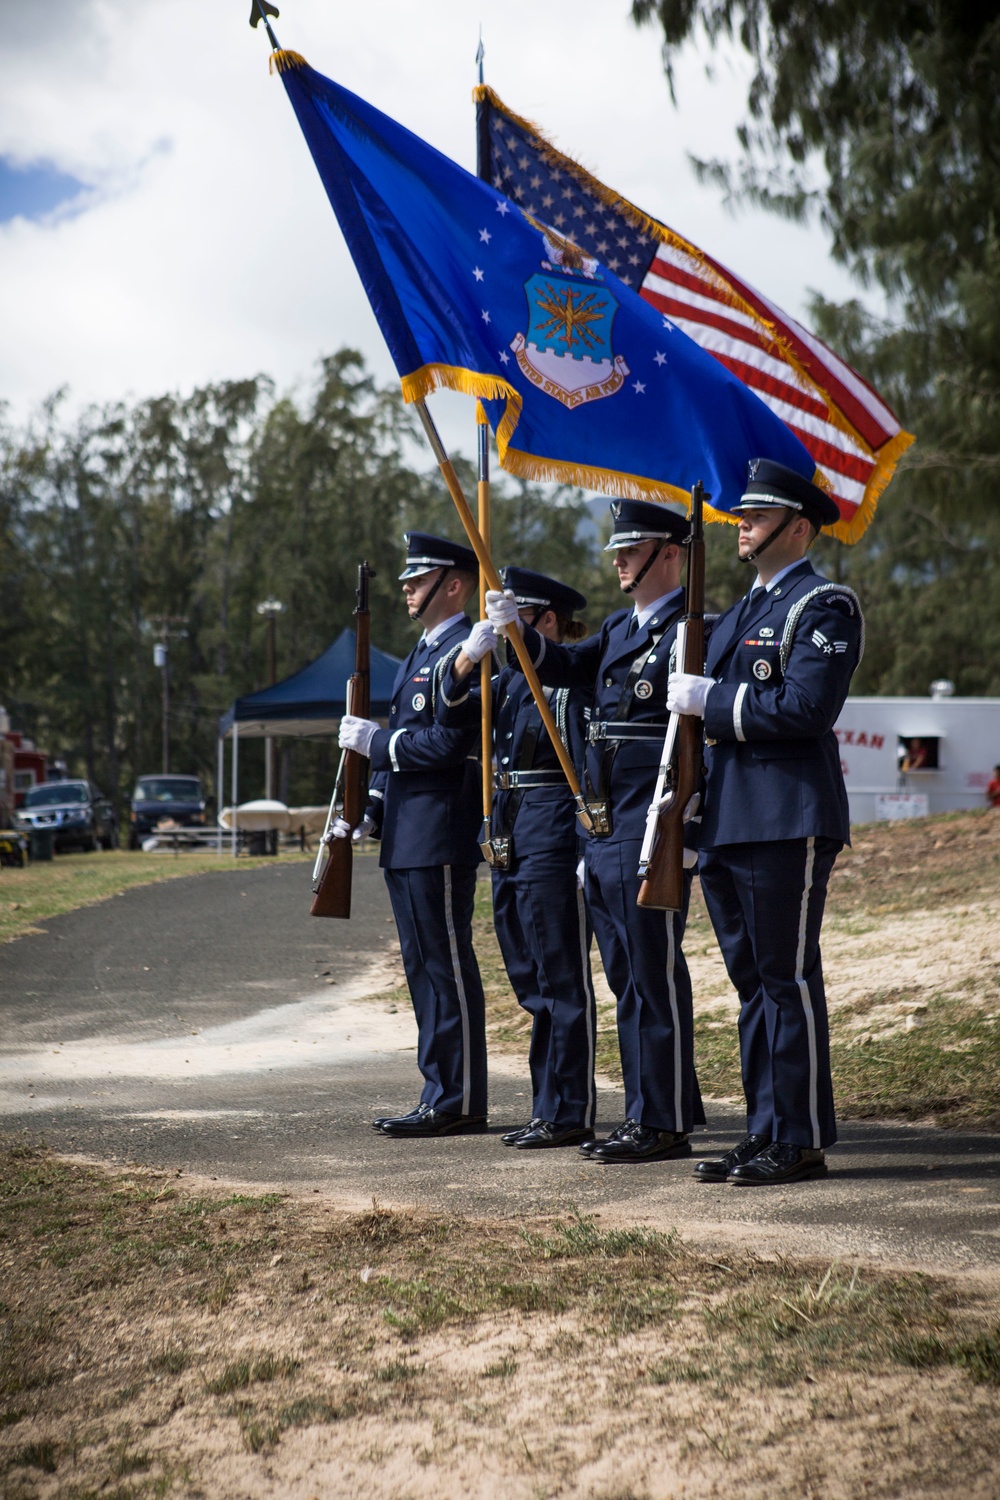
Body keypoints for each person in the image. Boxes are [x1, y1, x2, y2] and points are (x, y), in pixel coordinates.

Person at [487, 499, 704, 1164]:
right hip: (606, 825)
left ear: (671, 552)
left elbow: (698, 741)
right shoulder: (617, 629)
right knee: (625, 978)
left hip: (652, 819)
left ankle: (662, 1119)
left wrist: (691, 822)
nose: (619, 560)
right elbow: (568, 667)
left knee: (652, 974)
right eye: (617, 549)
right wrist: (521, 639)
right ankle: (650, 1110)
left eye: (632, 549)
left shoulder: (690, 631)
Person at [668, 458, 864, 1186]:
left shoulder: (824, 605)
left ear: (800, 526)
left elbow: (808, 709)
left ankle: (802, 1137)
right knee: (753, 982)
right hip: (729, 819)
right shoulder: (742, 612)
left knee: (787, 977)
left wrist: (712, 702)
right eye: (741, 513)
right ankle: (765, 1128)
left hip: (787, 815)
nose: (740, 523)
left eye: (758, 513)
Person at [438, 567, 597, 1149]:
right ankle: (547, 1103)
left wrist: (586, 842)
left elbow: (585, 764)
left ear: (547, 621)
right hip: (507, 826)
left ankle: (569, 1108)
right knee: (529, 978)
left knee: (560, 975)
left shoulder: (566, 683)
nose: (505, 633)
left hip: (553, 828)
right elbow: (449, 711)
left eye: (515, 620)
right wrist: (463, 658)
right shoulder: (504, 684)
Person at [336, 532, 487, 1137]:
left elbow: (453, 743)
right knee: (422, 966)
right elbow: (403, 731)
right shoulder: (423, 651)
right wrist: (372, 802)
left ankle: (460, 1099)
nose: (407, 588)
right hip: (406, 831)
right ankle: (439, 1090)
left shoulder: (469, 649)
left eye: (419, 579)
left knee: (446, 965)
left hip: (440, 829)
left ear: (453, 584)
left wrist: (382, 745)